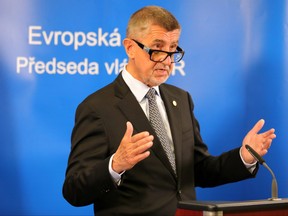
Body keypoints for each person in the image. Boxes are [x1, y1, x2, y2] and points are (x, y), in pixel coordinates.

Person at [62, 5, 276, 216]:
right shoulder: (97, 107)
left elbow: (198, 170)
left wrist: (244, 157)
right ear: (130, 48)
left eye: (173, 49)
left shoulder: (180, 99)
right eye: (157, 49)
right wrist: (115, 165)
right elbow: (74, 190)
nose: (167, 60)